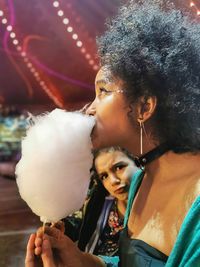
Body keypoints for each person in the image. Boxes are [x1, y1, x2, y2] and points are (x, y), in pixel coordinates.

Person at [26, 0, 200, 266]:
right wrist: (83, 261)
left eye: (103, 91)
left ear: (144, 106)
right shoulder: (141, 181)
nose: (89, 110)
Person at [64, 146, 138, 256]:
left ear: (138, 162)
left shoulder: (160, 207)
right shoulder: (101, 205)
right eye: (104, 176)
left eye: (119, 167)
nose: (113, 181)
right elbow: (83, 232)